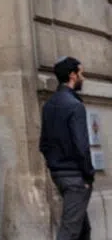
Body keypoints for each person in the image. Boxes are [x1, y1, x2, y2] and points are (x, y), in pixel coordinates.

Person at [41, 56, 94, 240]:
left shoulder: (49, 105)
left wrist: (54, 167)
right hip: (75, 177)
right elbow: (81, 145)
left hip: (59, 174)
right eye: (81, 73)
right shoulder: (75, 106)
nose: (83, 78)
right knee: (70, 231)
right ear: (72, 75)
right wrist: (88, 175)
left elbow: (43, 144)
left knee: (82, 229)